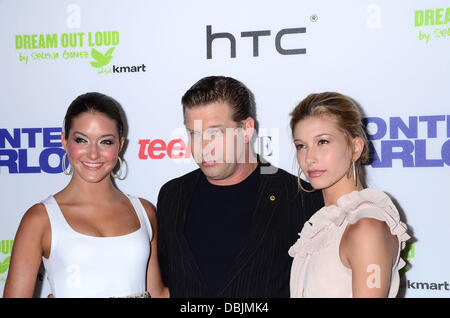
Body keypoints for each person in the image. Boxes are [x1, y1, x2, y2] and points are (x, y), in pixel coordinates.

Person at [156, 76, 324, 297]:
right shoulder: (172, 196)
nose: (203, 147)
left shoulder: (300, 197)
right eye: (194, 134)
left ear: (246, 129)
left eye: (215, 133)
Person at [3, 92, 168, 298]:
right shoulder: (39, 219)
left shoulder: (144, 212)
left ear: (120, 145)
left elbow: (158, 294)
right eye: (81, 140)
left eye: (105, 142)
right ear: (64, 141)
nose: (93, 154)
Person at [288, 92, 410, 297]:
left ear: (355, 148)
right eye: (301, 146)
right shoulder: (324, 224)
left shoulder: (366, 227)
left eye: (323, 142)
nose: (310, 158)